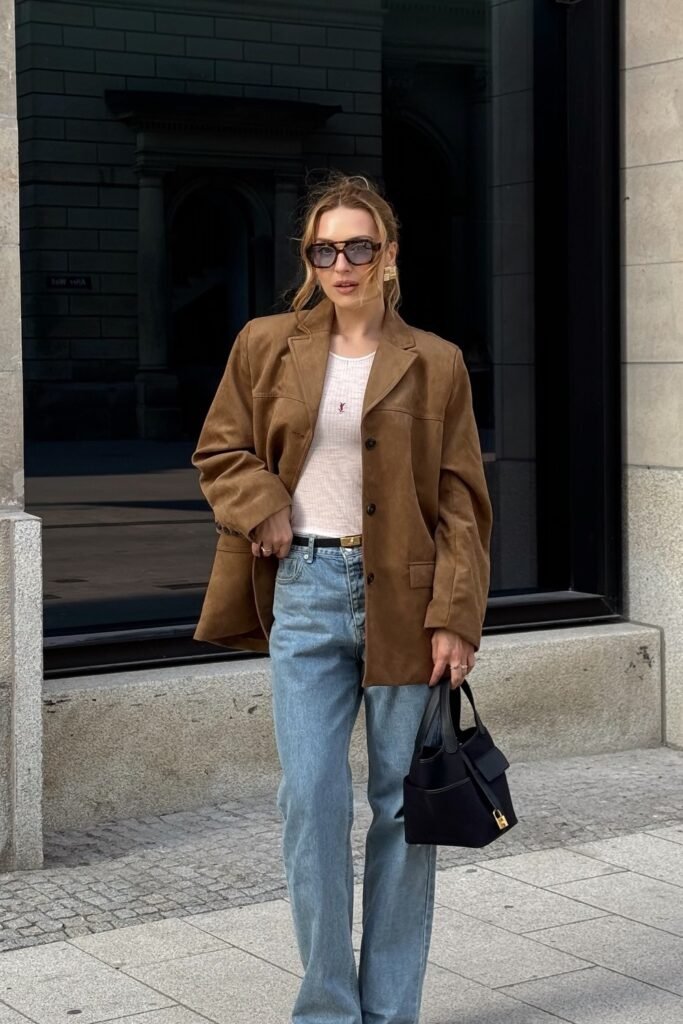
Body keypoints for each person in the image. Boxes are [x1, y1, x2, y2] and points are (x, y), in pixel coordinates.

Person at [192, 172, 492, 1024]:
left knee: (403, 807)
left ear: (389, 255)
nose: (342, 263)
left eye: (359, 246)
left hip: (407, 600)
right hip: (307, 593)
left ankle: (388, 1010)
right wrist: (265, 507)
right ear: (309, 259)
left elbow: (463, 502)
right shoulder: (263, 344)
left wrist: (455, 619)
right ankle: (326, 1009)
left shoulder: (433, 362)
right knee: (310, 799)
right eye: (325, 249)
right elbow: (220, 450)